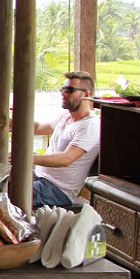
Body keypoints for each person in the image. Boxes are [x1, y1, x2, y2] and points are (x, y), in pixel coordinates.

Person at [31, 71, 100, 209]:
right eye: (63, 89)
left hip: (57, 190)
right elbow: (38, 128)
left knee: (3, 194)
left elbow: (66, 159)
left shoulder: (89, 125)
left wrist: (26, 158)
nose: (63, 93)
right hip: (39, 178)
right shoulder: (65, 117)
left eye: (69, 90)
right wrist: (7, 121)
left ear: (86, 94)